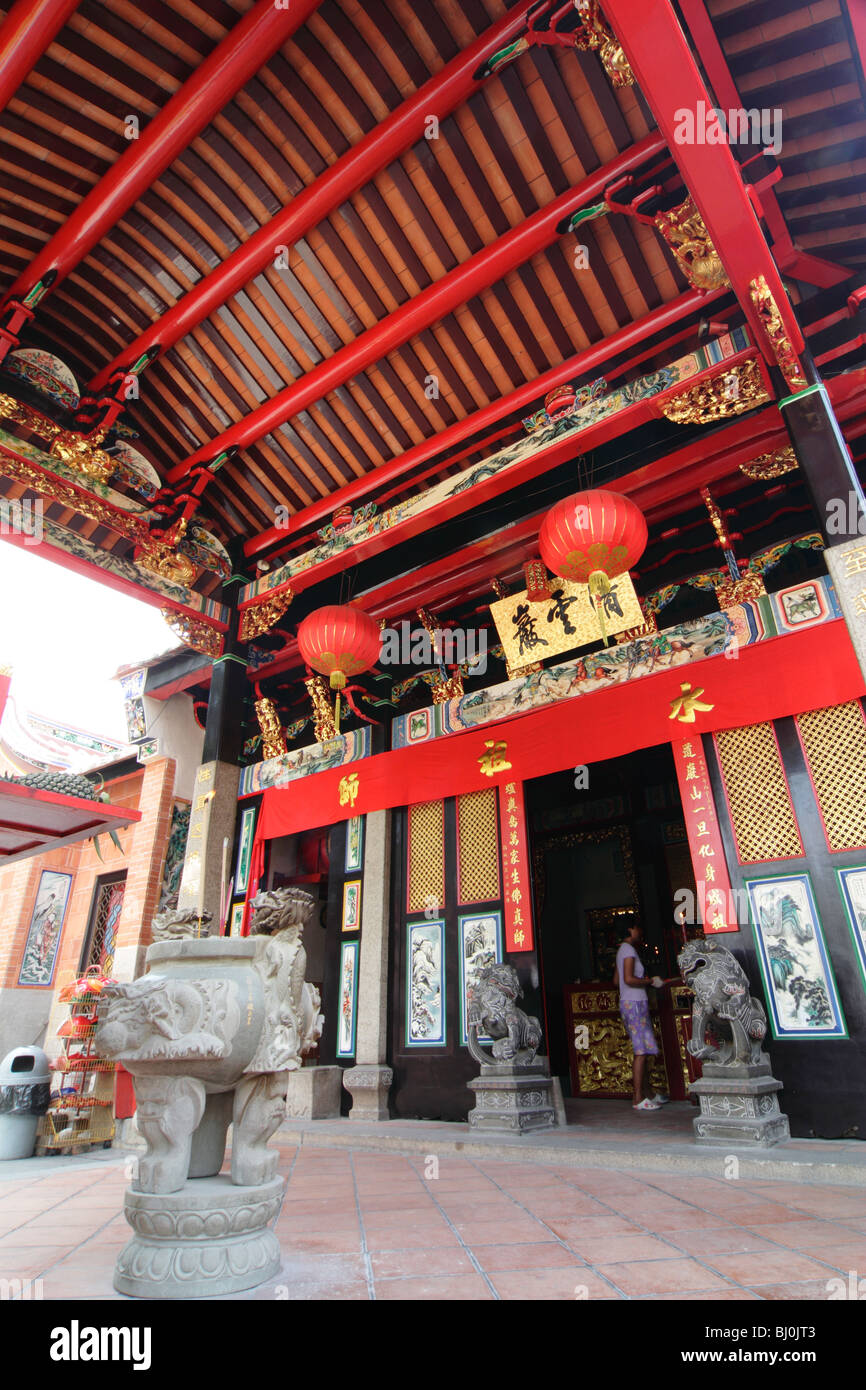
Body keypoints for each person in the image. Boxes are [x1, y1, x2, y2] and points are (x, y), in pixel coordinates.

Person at [614, 923, 669, 1112]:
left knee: (642, 1050)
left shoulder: (622, 950)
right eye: (637, 927)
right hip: (634, 1003)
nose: (640, 931)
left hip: (629, 1002)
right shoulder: (628, 949)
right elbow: (628, 979)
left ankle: (648, 1094)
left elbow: (617, 980)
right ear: (629, 930)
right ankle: (637, 1098)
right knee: (640, 1051)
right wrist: (649, 981)